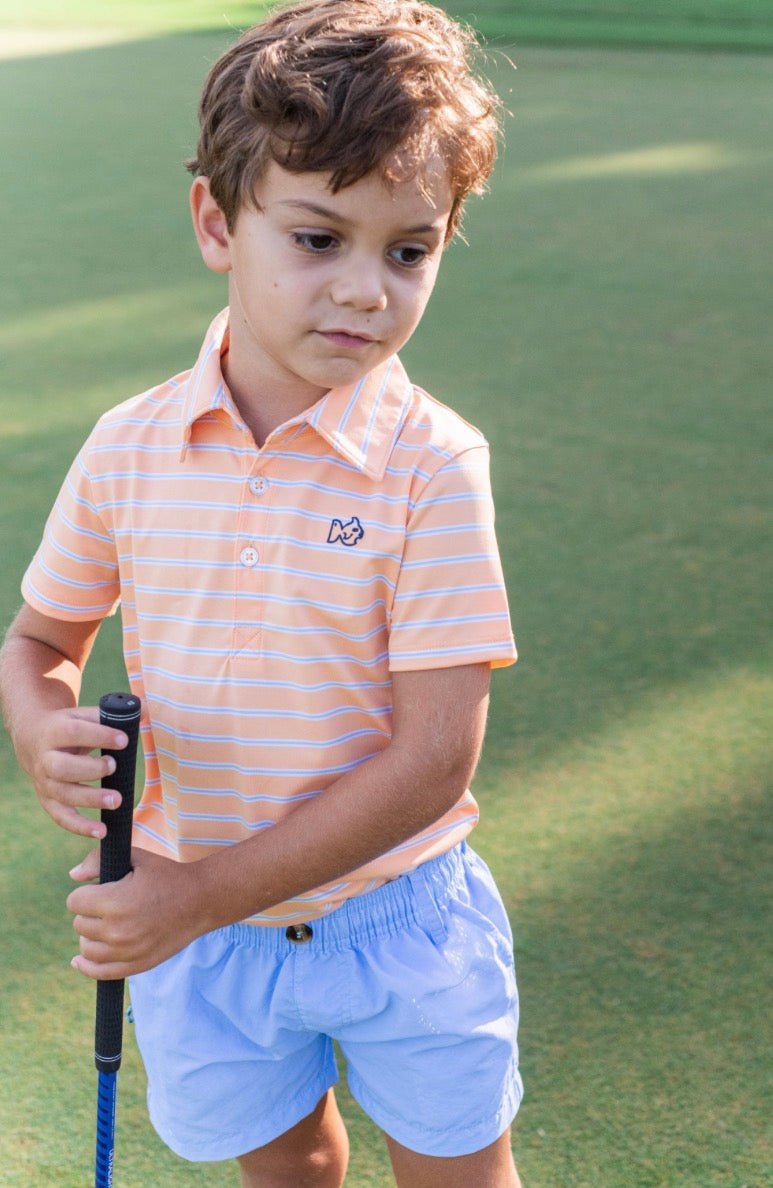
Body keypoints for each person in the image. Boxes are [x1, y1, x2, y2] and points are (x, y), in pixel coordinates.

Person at [0, 2, 523, 1184]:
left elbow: (436, 757)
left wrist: (195, 895)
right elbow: (39, 639)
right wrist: (40, 727)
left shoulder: (433, 466)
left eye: (408, 249)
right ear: (215, 222)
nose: (364, 291)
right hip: (204, 934)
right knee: (288, 1168)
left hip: (400, 922)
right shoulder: (127, 447)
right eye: (317, 236)